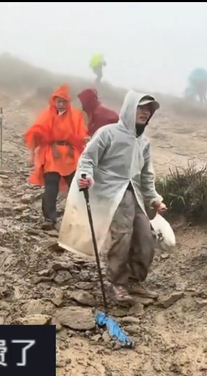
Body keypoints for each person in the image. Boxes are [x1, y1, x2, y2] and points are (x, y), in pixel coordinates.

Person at [60, 90, 166, 303]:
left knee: (146, 236)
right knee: (123, 236)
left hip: (133, 194)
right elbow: (88, 159)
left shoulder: (143, 142)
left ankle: (136, 279)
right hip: (111, 194)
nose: (145, 113)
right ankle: (118, 283)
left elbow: (146, 175)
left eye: (149, 110)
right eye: (141, 108)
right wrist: (85, 177)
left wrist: (154, 197)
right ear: (129, 108)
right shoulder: (107, 133)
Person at [25, 84, 87, 230]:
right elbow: (35, 131)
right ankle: (49, 218)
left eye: (63, 101)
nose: (60, 104)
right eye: (58, 101)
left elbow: (81, 135)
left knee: (76, 186)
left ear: (68, 102)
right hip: (51, 155)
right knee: (51, 187)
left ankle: (78, 217)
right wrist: (31, 154)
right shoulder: (47, 113)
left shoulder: (76, 115)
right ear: (54, 101)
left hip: (70, 155)